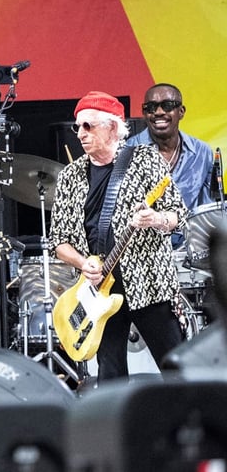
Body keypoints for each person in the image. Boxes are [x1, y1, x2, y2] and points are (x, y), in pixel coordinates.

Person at [49, 91, 187, 382]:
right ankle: (119, 425)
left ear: (112, 127)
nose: (81, 134)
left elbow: (176, 214)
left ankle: (197, 422)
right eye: (78, 127)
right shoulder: (70, 176)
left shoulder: (145, 159)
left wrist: (156, 219)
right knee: (110, 373)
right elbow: (58, 242)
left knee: (176, 365)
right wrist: (83, 262)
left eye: (89, 126)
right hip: (100, 288)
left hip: (148, 282)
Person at [126, 83, 214, 248]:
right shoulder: (128, 151)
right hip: (146, 249)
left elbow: (207, 207)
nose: (159, 112)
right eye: (151, 107)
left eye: (167, 106)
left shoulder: (202, 152)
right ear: (144, 113)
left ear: (181, 112)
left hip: (191, 248)